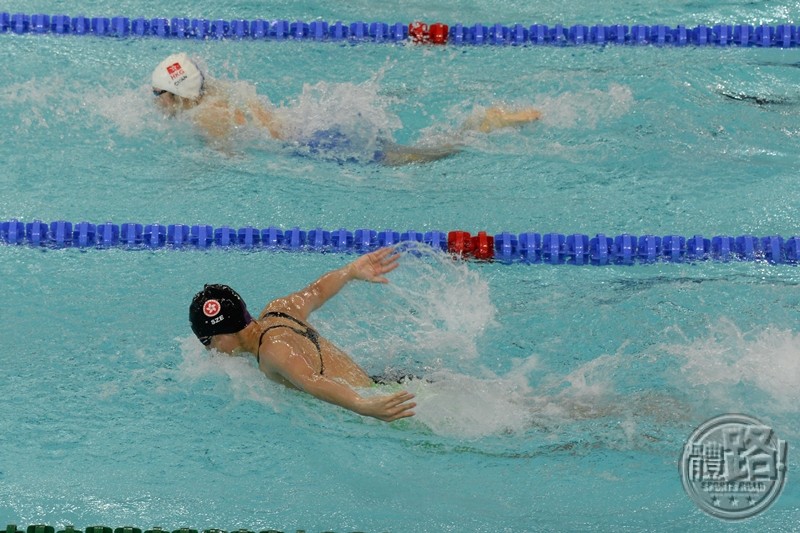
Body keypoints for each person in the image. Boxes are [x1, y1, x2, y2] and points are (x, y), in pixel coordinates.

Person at [151, 52, 542, 164]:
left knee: (418, 157)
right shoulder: (225, 92)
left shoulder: (206, 117)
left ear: (177, 94)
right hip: (313, 130)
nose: (156, 103)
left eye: (159, 94)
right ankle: (478, 124)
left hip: (316, 145)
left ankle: (482, 125)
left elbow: (231, 158)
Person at [189, 246, 416, 422]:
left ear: (222, 336)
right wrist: (350, 271)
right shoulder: (278, 310)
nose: (211, 351)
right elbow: (316, 291)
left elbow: (312, 381)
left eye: (208, 343)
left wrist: (362, 405)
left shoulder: (273, 350)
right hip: (387, 384)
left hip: (388, 403)